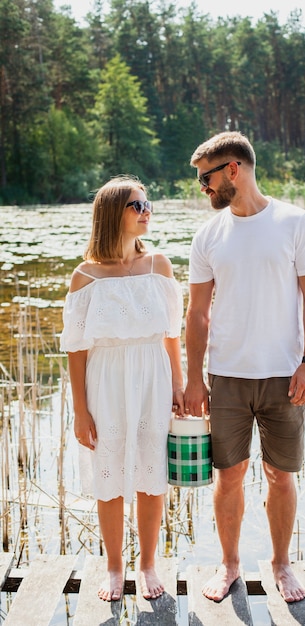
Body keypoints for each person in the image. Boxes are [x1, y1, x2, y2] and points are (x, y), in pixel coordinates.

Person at [184, 132, 305, 604]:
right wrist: (193, 377)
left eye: (205, 177)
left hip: (285, 377)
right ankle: (229, 565)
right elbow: (198, 313)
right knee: (228, 476)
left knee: (280, 475)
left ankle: (281, 564)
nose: (202, 187)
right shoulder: (208, 235)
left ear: (232, 169)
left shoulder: (295, 222)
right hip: (226, 378)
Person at [60, 176, 184, 602]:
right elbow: (76, 349)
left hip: (153, 374)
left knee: (152, 472)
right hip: (106, 379)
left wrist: (179, 384)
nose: (146, 210)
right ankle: (115, 567)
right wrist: (80, 411)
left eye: (147, 203)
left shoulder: (160, 265)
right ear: (114, 214)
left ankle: (147, 564)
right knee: (108, 473)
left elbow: (172, 334)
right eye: (137, 205)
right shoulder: (85, 277)